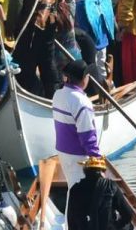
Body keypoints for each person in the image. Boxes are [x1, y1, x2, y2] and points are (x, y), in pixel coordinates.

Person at [67, 154, 136, 230]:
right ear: (102, 171)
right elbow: (127, 214)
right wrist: (115, 226)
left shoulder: (75, 189)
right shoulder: (110, 186)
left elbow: (71, 221)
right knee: (128, 226)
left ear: (85, 171)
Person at [51, 59, 102, 189]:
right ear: (84, 79)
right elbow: (87, 135)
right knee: (80, 192)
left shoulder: (57, 94)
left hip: (62, 151)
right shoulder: (82, 102)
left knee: (72, 187)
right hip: (78, 155)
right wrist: (96, 159)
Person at [66, 0, 115, 86]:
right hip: (103, 41)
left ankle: (102, 92)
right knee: (103, 68)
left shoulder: (80, 5)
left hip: (91, 45)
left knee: (94, 71)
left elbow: (81, 29)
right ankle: (109, 87)